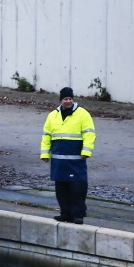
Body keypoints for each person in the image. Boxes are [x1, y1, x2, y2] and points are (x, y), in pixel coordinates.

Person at [40, 87, 96, 224]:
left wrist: (86, 152)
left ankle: (78, 214)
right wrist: (45, 153)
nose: (68, 101)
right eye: (65, 99)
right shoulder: (52, 115)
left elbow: (89, 134)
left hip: (76, 160)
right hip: (59, 161)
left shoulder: (83, 114)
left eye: (70, 98)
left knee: (78, 189)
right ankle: (65, 213)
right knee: (61, 189)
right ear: (61, 100)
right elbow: (46, 136)